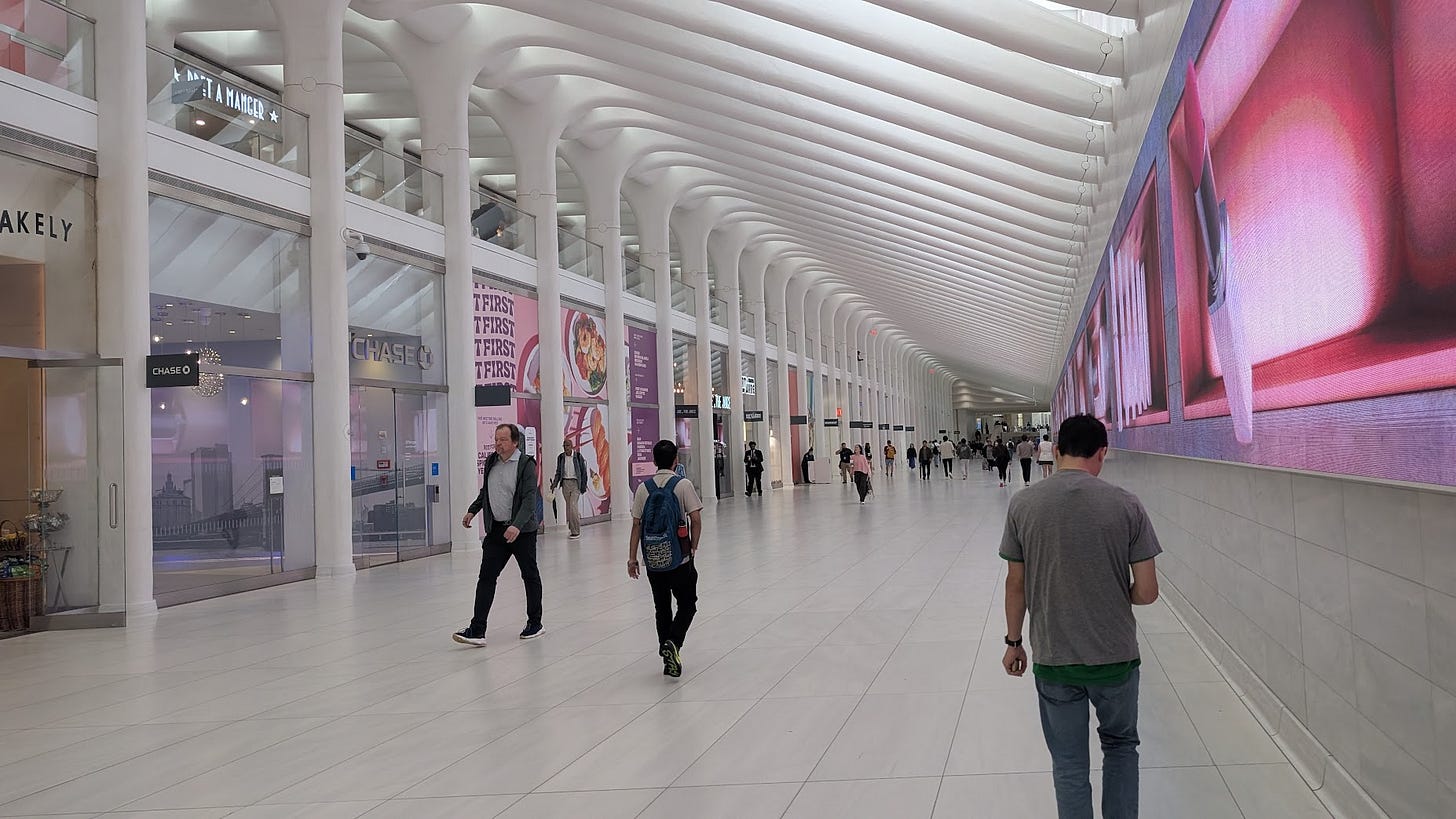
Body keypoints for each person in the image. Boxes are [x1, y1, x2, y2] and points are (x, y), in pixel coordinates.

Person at [999, 414, 1162, 819]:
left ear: (1056, 451)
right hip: (1116, 657)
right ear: (1102, 452)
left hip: (1055, 657)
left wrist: (1014, 642)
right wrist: (1114, 596)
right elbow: (1147, 591)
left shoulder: (1024, 504)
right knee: (1120, 747)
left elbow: (1015, 583)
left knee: (1069, 763)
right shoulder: (1126, 504)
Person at [454, 423, 544, 646]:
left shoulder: (525, 465)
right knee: (486, 577)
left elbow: (529, 499)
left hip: (522, 532)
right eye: (496, 440)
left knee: (529, 575)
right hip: (496, 531)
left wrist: (517, 525)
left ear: (515, 442)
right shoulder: (491, 462)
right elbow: (486, 491)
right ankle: (477, 629)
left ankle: (535, 623)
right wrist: (473, 510)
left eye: (503, 440)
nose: (498, 444)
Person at [628, 439, 705, 678]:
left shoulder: (644, 488)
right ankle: (674, 642)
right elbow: (696, 520)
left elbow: (636, 525)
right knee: (687, 604)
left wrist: (632, 559)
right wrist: (693, 547)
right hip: (680, 558)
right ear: (675, 460)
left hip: (653, 559)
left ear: (654, 461)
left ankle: (666, 653)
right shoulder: (682, 485)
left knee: (662, 608)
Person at [549, 437, 588, 540]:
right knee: (569, 507)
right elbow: (558, 472)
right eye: (564, 446)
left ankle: (576, 531)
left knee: (573, 506)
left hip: (575, 483)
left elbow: (583, 472)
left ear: (572, 446)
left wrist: (583, 486)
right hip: (565, 483)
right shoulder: (561, 458)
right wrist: (554, 484)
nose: (566, 448)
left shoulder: (578, 456)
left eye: (567, 445)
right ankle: (572, 528)